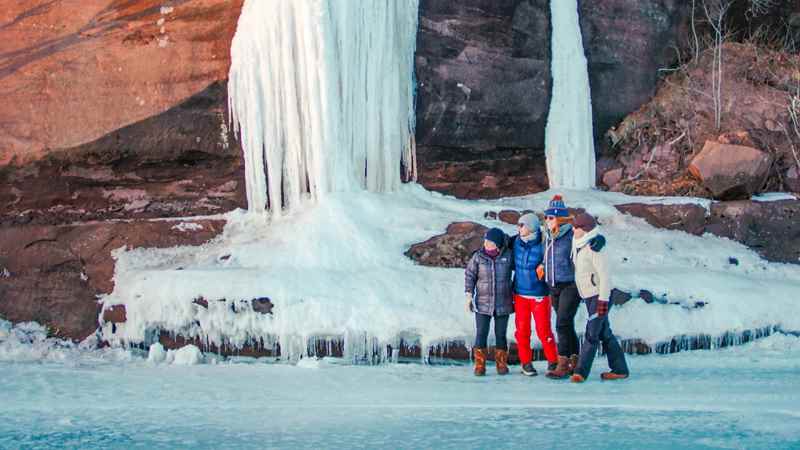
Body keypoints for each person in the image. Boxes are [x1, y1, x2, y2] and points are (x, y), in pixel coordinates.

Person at [569, 213, 629, 383]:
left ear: (585, 229)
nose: (573, 229)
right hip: (589, 296)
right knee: (605, 333)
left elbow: (605, 276)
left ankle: (581, 372)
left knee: (592, 334)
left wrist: (603, 300)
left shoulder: (595, 248)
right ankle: (620, 369)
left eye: (576, 227)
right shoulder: (578, 243)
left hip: (599, 296)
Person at [540, 195, 582, 379]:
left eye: (550, 217)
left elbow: (587, 244)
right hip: (553, 285)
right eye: (546, 217)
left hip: (570, 284)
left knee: (561, 324)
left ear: (559, 218)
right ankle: (575, 359)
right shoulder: (548, 236)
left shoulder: (571, 235)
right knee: (566, 323)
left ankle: (563, 363)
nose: (547, 221)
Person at [510, 213, 557, 376]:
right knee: (522, 331)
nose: (518, 228)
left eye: (521, 225)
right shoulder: (515, 242)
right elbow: (493, 244)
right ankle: (526, 363)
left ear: (530, 227)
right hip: (520, 295)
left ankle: (553, 361)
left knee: (544, 330)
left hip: (540, 295)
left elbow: (557, 253)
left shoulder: (544, 243)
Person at [465, 227, 514, 376]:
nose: (486, 244)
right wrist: (468, 295)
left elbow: (520, 271)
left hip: (503, 303)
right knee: (481, 334)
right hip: (482, 303)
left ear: (498, 244)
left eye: (490, 241)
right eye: (485, 240)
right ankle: (480, 365)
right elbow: (470, 275)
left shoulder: (508, 256)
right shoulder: (478, 257)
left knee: (501, 334)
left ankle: (501, 364)